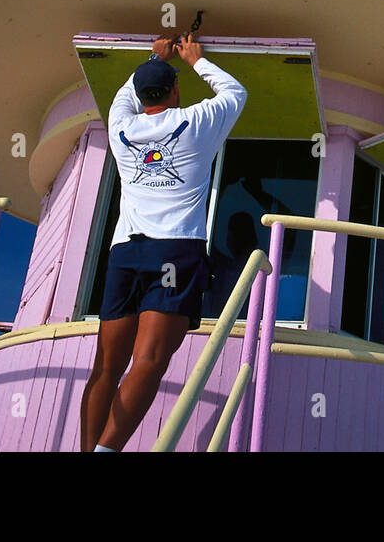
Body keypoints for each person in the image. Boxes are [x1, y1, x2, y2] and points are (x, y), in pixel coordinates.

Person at [79, 32, 247, 452]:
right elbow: (235, 91)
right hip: (174, 250)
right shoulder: (196, 123)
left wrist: (153, 56)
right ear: (174, 90)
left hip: (125, 252)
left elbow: (125, 94)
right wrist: (195, 60)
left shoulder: (120, 127)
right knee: (150, 359)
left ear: (138, 95)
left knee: (106, 365)